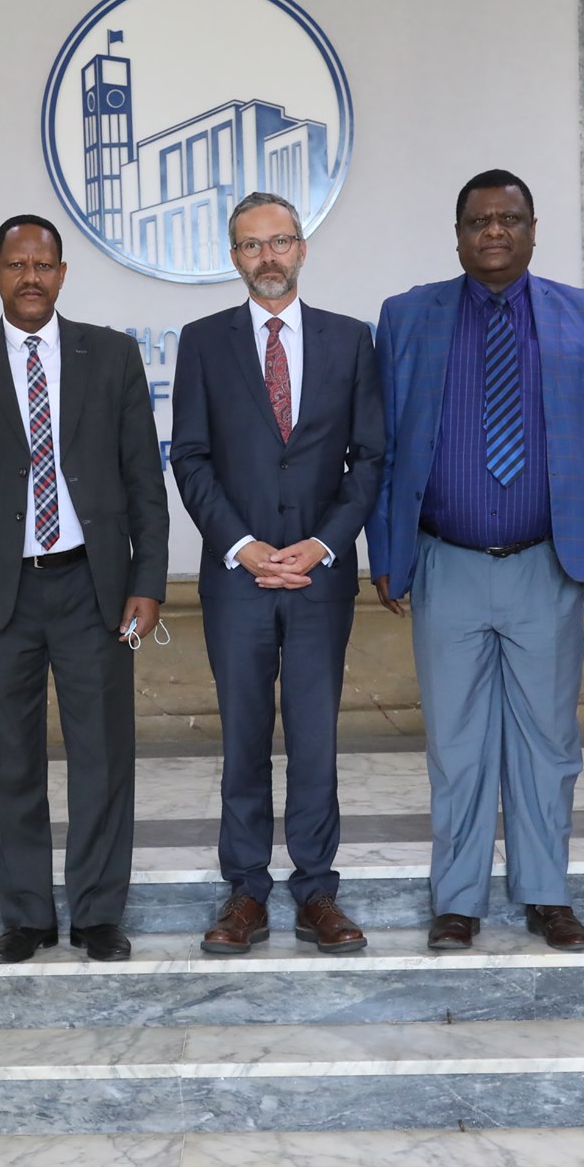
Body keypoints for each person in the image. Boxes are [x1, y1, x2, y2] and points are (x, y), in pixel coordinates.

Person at [365, 168, 584, 953]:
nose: (493, 231)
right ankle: (457, 900)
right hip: (444, 563)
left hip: (546, 563)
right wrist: (386, 550)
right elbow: (382, 449)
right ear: (457, 235)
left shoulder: (583, 314)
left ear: (533, 229)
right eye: (479, 220)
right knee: (455, 744)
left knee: (549, 742)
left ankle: (547, 894)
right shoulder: (408, 317)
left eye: (509, 219)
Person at [0, 215, 168, 964]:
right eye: (17, 264)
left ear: (62, 274)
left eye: (44, 264)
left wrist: (147, 581)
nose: (31, 276)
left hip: (95, 587)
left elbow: (144, 481)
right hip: (0, 598)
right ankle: (26, 915)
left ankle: (97, 913)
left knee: (104, 757)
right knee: (9, 761)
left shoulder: (112, 354)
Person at [170, 191, 384, 955]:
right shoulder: (203, 341)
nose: (268, 256)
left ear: (302, 248)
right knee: (244, 737)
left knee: (316, 737)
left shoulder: (350, 339)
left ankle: (317, 889)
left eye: (280, 241)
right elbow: (190, 457)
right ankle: (246, 892)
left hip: (321, 576)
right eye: (252, 244)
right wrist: (243, 545)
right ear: (233, 256)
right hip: (238, 578)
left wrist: (323, 544)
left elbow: (370, 458)